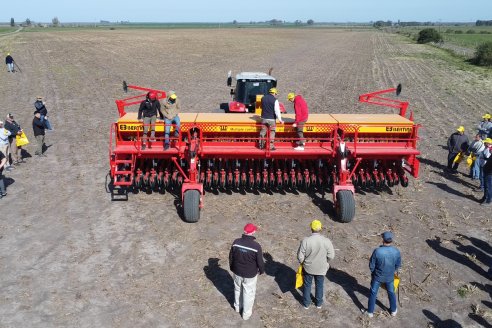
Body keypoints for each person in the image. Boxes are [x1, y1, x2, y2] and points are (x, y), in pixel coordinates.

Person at [229, 223, 265, 320]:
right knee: (248, 293)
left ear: (244, 231)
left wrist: (232, 268)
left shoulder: (236, 242)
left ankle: (237, 307)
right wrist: (262, 271)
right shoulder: (256, 246)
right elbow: (260, 262)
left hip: (237, 271)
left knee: (237, 289)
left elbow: (231, 257)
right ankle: (246, 314)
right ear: (253, 232)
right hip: (250, 275)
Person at [297, 219, 335, 309]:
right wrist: (326, 262)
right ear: (320, 228)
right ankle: (318, 303)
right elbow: (331, 256)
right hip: (321, 268)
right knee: (320, 285)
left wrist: (303, 262)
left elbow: (300, 256)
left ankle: (306, 304)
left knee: (307, 285)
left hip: (308, 268)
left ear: (311, 228)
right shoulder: (326, 241)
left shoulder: (306, 241)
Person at [365, 231, 401, 318]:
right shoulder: (396, 251)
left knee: (373, 293)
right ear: (391, 240)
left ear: (383, 239)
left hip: (377, 276)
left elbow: (371, 265)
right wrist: (392, 271)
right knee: (391, 292)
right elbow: (398, 265)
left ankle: (370, 312)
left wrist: (374, 273)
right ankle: (393, 310)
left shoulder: (377, 251)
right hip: (390, 277)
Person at [479, 138, 492, 205]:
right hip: (486, 170)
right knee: (486, 186)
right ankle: (485, 197)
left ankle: (488, 200)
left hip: (489, 173)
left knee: (488, 187)